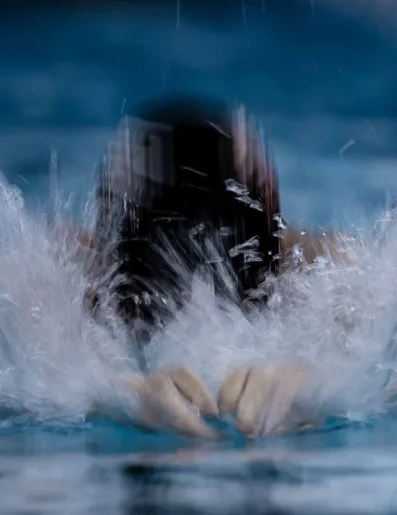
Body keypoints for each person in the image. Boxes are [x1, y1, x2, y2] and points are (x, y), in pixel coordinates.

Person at [80, 96, 336, 439]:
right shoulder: (72, 274)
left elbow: (394, 361)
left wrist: (312, 384)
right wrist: (118, 393)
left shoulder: (317, 268)